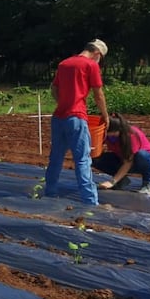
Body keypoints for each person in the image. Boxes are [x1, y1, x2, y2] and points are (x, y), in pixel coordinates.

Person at [45, 39, 109, 205]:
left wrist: (63, 102)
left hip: (59, 117)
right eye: (100, 58)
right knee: (82, 159)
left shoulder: (64, 64)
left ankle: (49, 194)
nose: (99, 62)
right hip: (77, 117)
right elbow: (98, 94)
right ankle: (90, 201)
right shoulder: (90, 65)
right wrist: (106, 115)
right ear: (97, 53)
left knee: (56, 158)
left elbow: (54, 89)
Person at [94, 114, 150, 194]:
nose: (108, 135)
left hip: (144, 161)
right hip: (123, 159)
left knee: (141, 155)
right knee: (94, 158)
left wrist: (112, 181)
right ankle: (121, 180)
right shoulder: (107, 136)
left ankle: (147, 184)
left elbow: (128, 161)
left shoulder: (131, 134)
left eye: (111, 133)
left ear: (118, 130)